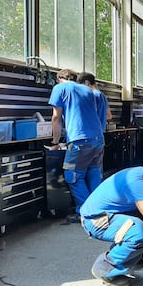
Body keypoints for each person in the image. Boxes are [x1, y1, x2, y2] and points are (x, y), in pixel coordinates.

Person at [48, 69, 105, 223]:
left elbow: (56, 117)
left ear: (60, 79)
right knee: (93, 174)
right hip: (98, 140)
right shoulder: (88, 90)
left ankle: (85, 212)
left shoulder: (59, 88)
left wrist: (55, 142)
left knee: (71, 174)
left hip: (80, 141)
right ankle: (99, 209)